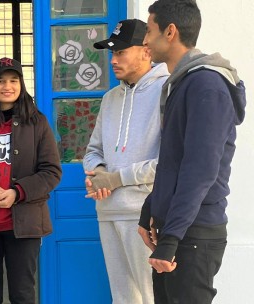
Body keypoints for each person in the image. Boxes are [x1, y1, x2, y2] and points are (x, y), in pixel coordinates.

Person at [138, 1, 246, 303]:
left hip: (193, 233)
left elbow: (200, 170)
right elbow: (174, 160)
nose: (145, 40)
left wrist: (171, 237)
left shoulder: (206, 85)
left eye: (149, 30)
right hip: (177, 228)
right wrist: (151, 209)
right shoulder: (181, 84)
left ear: (170, 32)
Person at [83, 19, 169, 304]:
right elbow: (93, 151)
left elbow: (168, 162)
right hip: (107, 211)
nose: (113, 60)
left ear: (146, 50)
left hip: (146, 215)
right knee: (123, 299)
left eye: (121, 52)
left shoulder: (167, 90)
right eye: (112, 53)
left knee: (153, 296)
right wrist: (98, 172)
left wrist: (116, 178)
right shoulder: (109, 99)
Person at [0, 57, 62, 304]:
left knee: (23, 294)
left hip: (25, 223)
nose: (7, 86)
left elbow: (51, 171)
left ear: (21, 84)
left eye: (13, 80)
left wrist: (17, 192)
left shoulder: (37, 122)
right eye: (0, 81)